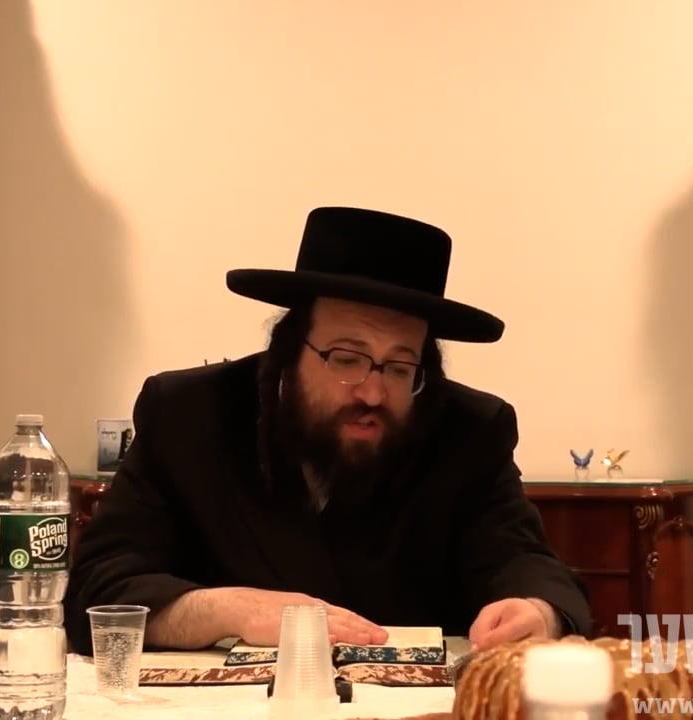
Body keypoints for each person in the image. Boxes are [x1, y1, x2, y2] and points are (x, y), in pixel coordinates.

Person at [64, 206, 591, 654]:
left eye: (399, 367)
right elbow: (98, 591)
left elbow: (524, 562)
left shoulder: (470, 431)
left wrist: (537, 612)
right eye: (346, 358)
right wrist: (229, 609)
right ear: (290, 349)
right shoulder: (189, 414)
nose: (373, 392)